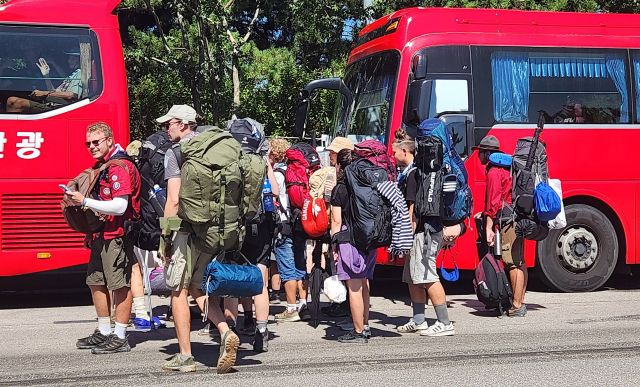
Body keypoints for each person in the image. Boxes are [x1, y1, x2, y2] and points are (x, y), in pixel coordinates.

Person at [157, 105, 239, 373]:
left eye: (168, 124)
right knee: (198, 287)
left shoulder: (177, 152)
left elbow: (173, 199)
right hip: (216, 229)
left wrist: (164, 239)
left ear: (182, 124)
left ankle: (185, 356)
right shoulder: (216, 146)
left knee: (177, 290)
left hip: (185, 230)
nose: (166, 129)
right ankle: (226, 332)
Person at [67, 122, 140, 354]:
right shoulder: (104, 166)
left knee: (120, 285)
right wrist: (90, 232)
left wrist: (84, 201)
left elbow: (120, 206)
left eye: (96, 142)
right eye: (88, 143)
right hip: (102, 233)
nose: (91, 146)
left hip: (117, 235)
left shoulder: (118, 166)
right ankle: (104, 330)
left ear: (109, 140)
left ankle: (119, 336)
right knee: (95, 280)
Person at [393, 128, 460, 337]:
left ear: (405, 151)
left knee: (428, 276)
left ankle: (444, 323)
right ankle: (419, 319)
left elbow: (412, 211)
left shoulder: (413, 175)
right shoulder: (414, 173)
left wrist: (407, 236)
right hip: (425, 231)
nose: (392, 156)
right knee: (413, 277)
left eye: (394, 152)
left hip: (423, 232)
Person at [475, 135, 526, 317]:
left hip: (507, 222)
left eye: (479, 152)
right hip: (516, 218)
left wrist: (488, 227)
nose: (478, 156)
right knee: (519, 261)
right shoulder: (506, 168)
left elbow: (493, 203)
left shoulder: (493, 171)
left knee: (512, 263)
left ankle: (517, 305)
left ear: (486, 153)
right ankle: (519, 300)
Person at [330, 148, 375, 343]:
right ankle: (365, 325)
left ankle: (358, 332)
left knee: (354, 286)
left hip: (349, 240)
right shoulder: (367, 184)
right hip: (370, 238)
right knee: (364, 282)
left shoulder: (340, 188)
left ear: (339, 165)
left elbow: (336, 221)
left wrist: (334, 246)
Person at [271, 138, 308, 323]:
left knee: (287, 268)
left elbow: (275, 197)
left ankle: (291, 308)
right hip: (299, 222)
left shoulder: (277, 174)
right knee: (300, 263)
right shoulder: (298, 173)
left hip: (284, 225)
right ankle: (304, 304)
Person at [6, 48, 83, 114]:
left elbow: (71, 95)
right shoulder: (72, 75)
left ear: (80, 59)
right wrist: (46, 75)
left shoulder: (80, 73)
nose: (70, 60)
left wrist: (43, 93)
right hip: (51, 104)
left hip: (59, 109)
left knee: (14, 102)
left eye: (74, 57)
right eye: (69, 57)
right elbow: (53, 92)